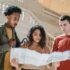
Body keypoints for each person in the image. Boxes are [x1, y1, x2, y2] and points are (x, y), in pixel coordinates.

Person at [0, 6, 22, 70]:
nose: (16, 22)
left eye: (18, 19)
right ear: (8, 16)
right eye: (15, 19)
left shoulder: (14, 31)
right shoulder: (1, 30)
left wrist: (22, 45)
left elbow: (18, 45)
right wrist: (8, 45)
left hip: (11, 66)